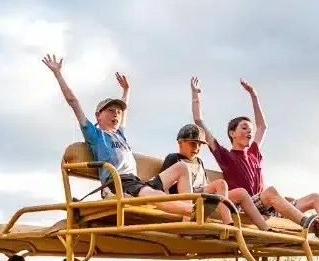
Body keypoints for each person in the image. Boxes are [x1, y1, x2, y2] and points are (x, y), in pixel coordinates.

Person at [42, 54, 233, 225]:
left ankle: (188, 216)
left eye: (117, 112)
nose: (116, 114)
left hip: (135, 182)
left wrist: (127, 90)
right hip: (117, 185)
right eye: (110, 111)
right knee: (155, 195)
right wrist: (58, 74)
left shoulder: (120, 134)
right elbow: (74, 103)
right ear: (98, 115)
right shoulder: (96, 135)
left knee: (182, 167)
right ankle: (195, 211)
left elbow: (125, 110)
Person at [190, 76, 319, 242]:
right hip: (246, 206)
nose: (249, 131)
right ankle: (310, 223)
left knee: (316, 198)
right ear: (232, 133)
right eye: (244, 128)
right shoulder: (225, 155)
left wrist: (253, 95)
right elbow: (199, 121)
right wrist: (196, 96)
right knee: (270, 192)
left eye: (249, 129)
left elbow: (262, 126)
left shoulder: (253, 152)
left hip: (267, 207)